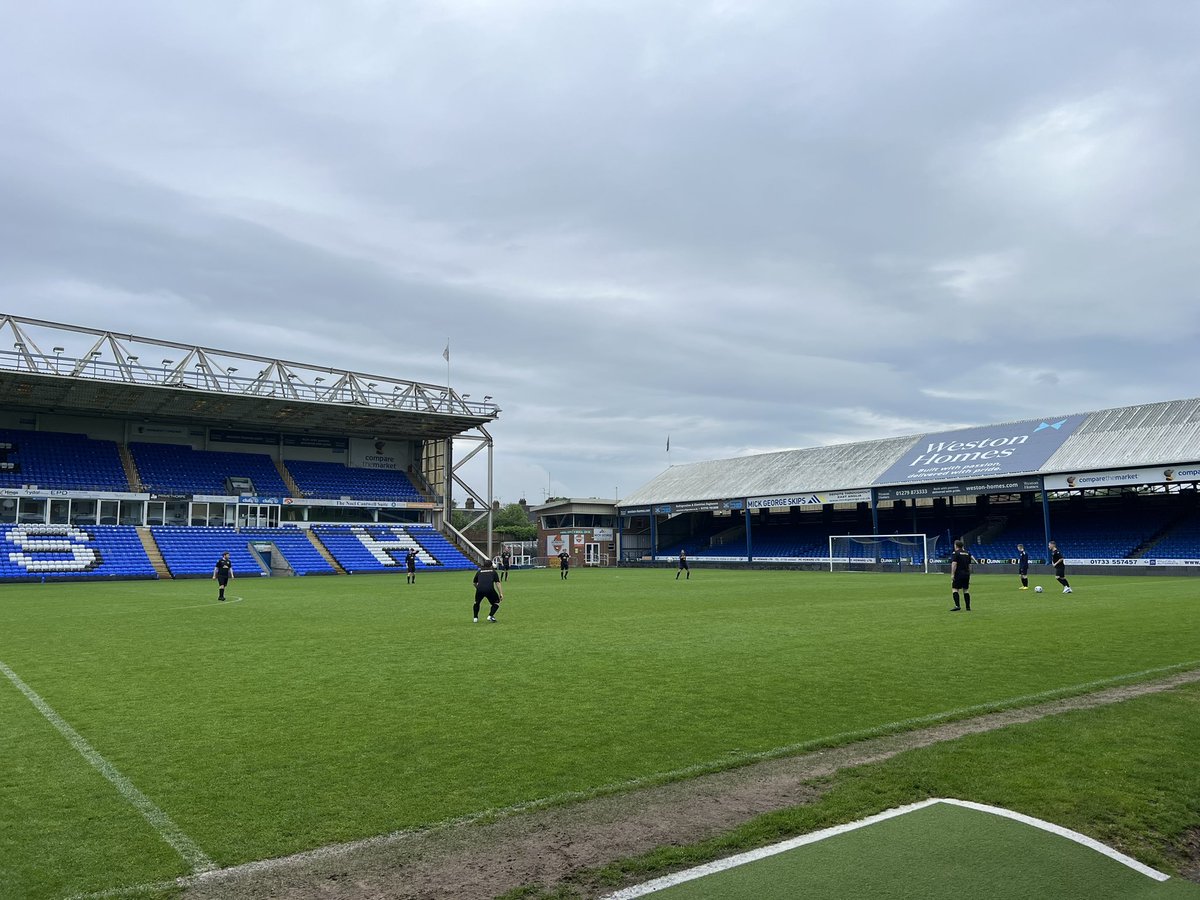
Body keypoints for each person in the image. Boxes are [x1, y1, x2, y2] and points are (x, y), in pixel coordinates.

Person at [473, 558, 503, 622]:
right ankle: (490, 616)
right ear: (491, 565)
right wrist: (501, 593)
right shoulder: (493, 572)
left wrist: (478, 588)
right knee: (496, 602)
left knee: (477, 603)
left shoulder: (479, 571)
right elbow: (497, 583)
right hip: (489, 589)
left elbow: (474, 583)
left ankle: (475, 618)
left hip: (479, 589)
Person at [949, 538, 973, 612]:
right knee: (966, 590)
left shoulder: (955, 553)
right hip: (966, 574)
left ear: (956, 546)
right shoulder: (967, 553)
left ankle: (957, 606)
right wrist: (969, 574)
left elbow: (954, 564)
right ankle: (968, 607)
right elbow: (969, 565)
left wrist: (952, 574)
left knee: (955, 589)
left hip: (959, 574)